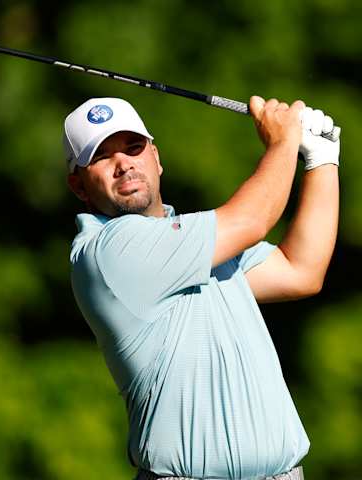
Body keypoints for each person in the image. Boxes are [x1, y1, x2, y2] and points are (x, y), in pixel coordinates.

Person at [65, 95, 339, 480]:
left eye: (133, 147)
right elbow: (253, 220)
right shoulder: (108, 252)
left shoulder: (199, 242)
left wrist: (322, 160)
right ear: (78, 185)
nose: (123, 164)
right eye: (101, 157)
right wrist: (283, 142)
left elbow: (300, 270)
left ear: (157, 158)